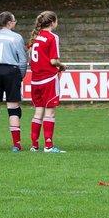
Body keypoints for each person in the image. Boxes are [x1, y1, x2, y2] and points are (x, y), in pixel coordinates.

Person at [0, 11, 27, 152]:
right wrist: (20, 76)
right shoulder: (17, 38)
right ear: (9, 23)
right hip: (11, 72)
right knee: (13, 108)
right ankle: (16, 145)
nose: (15, 23)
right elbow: (23, 60)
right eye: (14, 20)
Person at [27, 11, 66, 152]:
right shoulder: (52, 37)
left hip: (35, 81)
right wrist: (62, 66)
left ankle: (34, 145)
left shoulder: (34, 38)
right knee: (50, 113)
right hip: (48, 79)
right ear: (53, 22)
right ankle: (49, 146)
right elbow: (53, 61)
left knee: (38, 112)